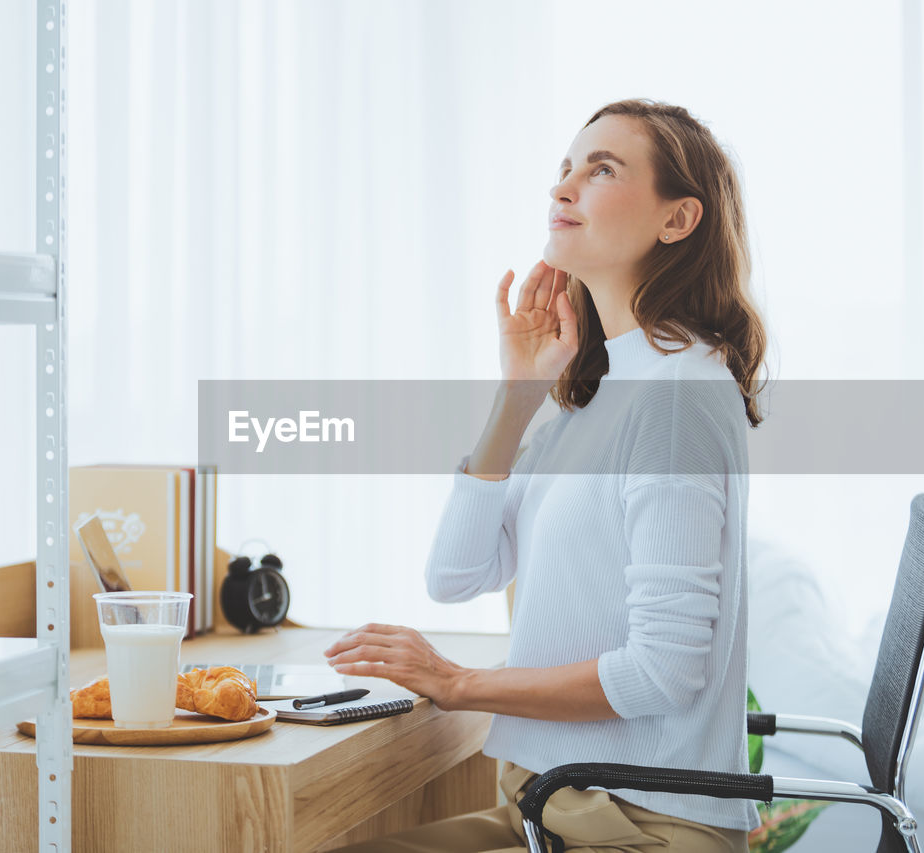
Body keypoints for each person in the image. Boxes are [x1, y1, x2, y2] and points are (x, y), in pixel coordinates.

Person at [323, 98, 768, 853]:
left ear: (677, 219)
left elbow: (663, 674)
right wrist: (517, 397)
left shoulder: (674, 399)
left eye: (601, 170)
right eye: (564, 169)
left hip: (643, 829)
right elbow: (457, 574)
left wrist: (459, 681)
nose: (563, 188)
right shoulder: (604, 384)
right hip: (558, 807)